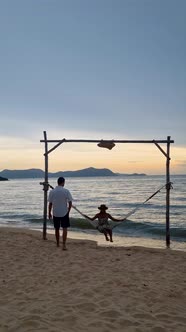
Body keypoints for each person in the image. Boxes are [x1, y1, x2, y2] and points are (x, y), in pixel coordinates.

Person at [48, 177, 73, 250]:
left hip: (55, 212)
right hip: (64, 212)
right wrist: (69, 210)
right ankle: (64, 244)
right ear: (63, 182)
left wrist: (49, 212)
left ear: (57, 182)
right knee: (64, 228)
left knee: (57, 229)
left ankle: (58, 243)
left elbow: (50, 203)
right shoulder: (66, 191)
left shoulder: (52, 191)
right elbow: (70, 202)